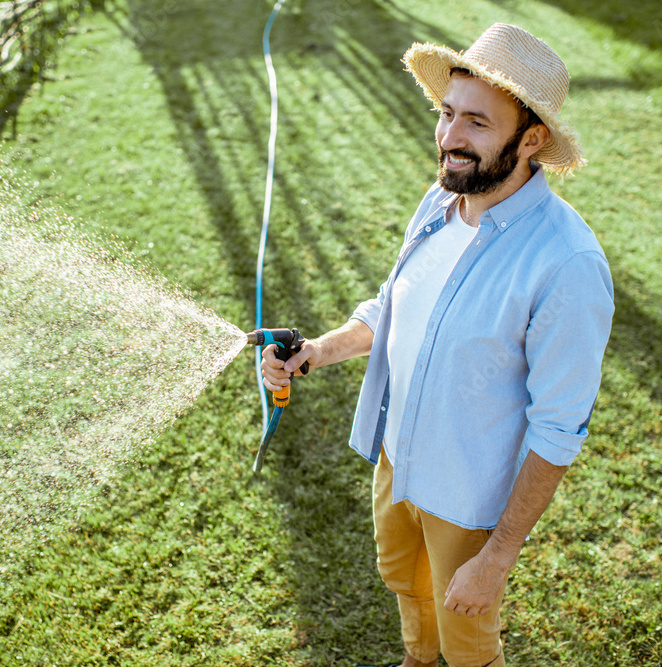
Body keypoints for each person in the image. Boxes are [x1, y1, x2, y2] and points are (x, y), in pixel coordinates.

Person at [260, 23, 614, 667]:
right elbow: (393, 306)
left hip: (469, 495)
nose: (450, 139)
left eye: (477, 123)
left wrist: (496, 558)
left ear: (531, 139)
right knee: (409, 593)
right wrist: (318, 349)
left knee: (468, 639)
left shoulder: (567, 263)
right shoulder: (441, 200)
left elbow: (559, 428)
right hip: (399, 461)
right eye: (448, 113)